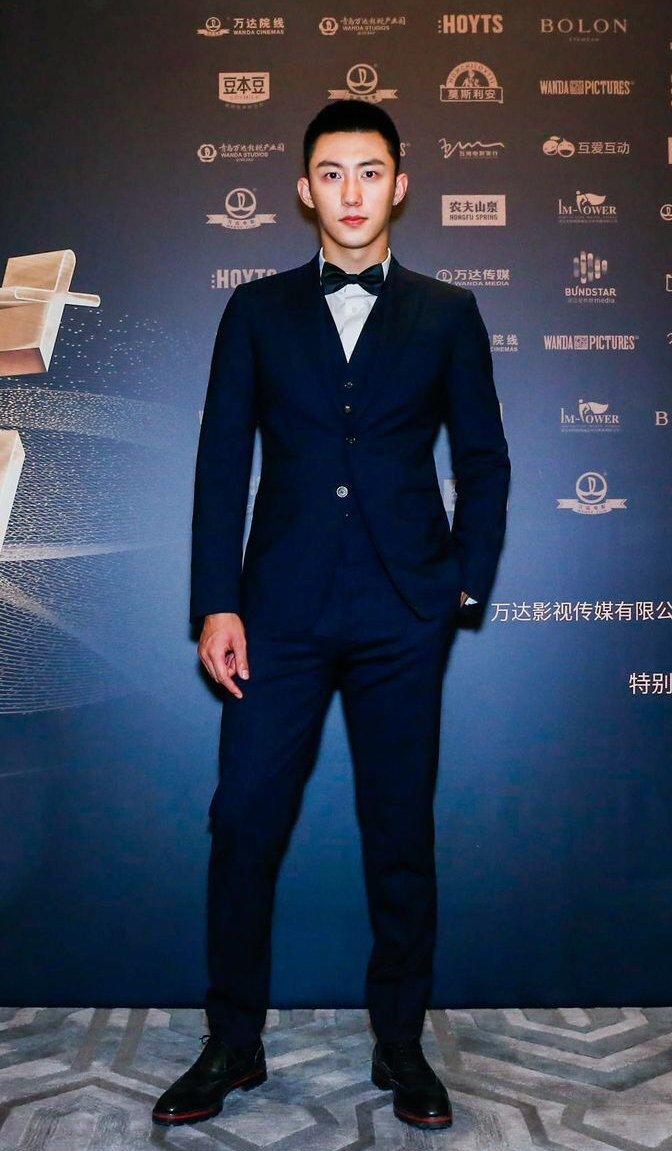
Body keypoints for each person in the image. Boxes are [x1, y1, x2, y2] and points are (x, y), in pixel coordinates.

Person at [152, 98, 510, 1133]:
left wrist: (463, 585)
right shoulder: (255, 310)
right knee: (242, 820)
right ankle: (233, 1039)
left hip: (405, 610)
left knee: (399, 831)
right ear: (305, 190)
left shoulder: (448, 311)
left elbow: (484, 459)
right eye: (332, 172)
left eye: (370, 171)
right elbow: (222, 463)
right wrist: (216, 600)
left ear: (401, 183)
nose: (352, 191)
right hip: (279, 612)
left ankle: (401, 1041)